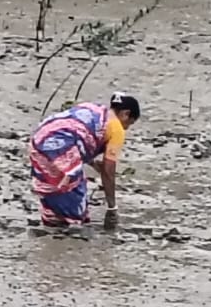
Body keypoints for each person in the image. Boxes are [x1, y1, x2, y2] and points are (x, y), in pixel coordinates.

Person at [28, 93, 141, 227]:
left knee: (52, 180)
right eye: (129, 123)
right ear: (125, 114)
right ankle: (69, 223)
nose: (126, 128)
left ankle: (53, 221)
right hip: (62, 143)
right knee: (73, 187)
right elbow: (108, 172)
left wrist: (92, 163)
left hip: (40, 138)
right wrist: (112, 208)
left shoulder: (93, 109)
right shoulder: (116, 128)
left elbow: (80, 132)